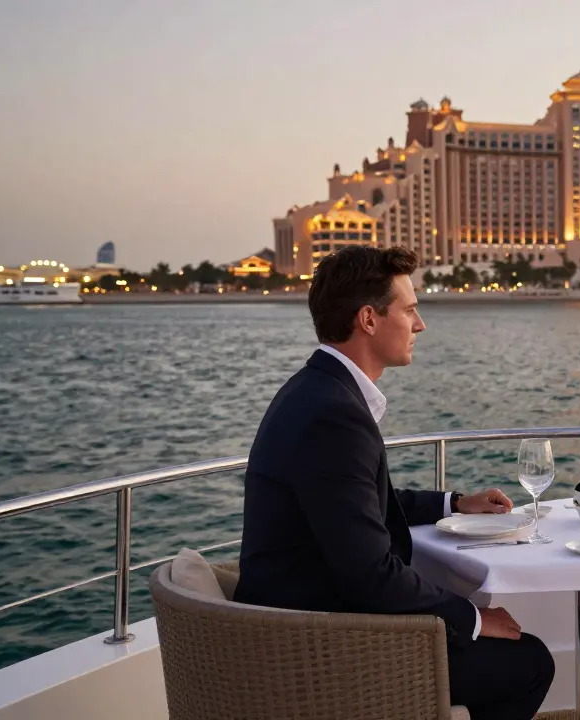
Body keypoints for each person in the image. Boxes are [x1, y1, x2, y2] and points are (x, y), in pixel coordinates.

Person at [234, 245, 553, 720]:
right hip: (319, 647)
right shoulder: (334, 414)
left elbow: (357, 502)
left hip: (297, 623)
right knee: (528, 662)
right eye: (409, 310)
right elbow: (370, 576)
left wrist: (454, 503)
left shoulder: (314, 390)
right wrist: (471, 618)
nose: (419, 325)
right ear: (368, 318)